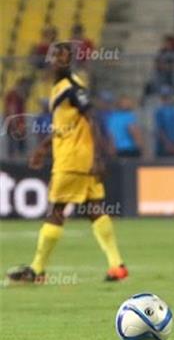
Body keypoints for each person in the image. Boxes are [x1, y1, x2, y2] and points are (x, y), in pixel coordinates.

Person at [6, 43, 127, 284]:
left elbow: (92, 119)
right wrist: (43, 147)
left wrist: (98, 157)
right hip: (76, 157)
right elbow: (64, 125)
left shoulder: (72, 87)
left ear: (69, 61)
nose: (56, 61)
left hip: (73, 160)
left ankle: (37, 270)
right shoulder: (59, 87)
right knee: (94, 209)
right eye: (54, 57)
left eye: (62, 58)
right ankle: (117, 266)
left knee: (57, 210)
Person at [155, 87, 174, 157]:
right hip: (163, 146)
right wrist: (168, 144)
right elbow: (160, 130)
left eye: (168, 97)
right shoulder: (160, 111)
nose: (166, 99)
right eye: (164, 97)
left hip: (173, 146)